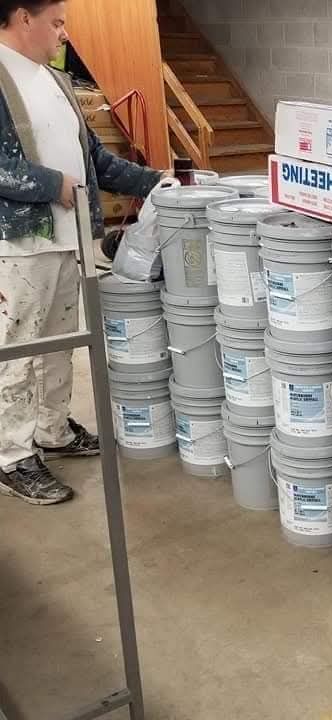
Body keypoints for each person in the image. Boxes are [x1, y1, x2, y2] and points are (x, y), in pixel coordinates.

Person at [0, 0, 166, 505]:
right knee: (20, 347)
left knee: (60, 340)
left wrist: (159, 180)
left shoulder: (54, 81)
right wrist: (52, 183)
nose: (65, 34)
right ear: (23, 19)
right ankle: (11, 455)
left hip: (69, 237)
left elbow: (94, 159)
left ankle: (52, 431)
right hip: (21, 244)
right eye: (56, 22)